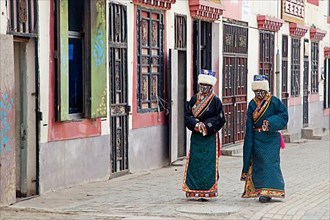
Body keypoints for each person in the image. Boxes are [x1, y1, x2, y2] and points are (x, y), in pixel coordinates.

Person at [240, 75, 289, 203]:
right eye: (257, 92)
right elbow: (249, 126)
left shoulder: (274, 102)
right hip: (257, 139)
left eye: (262, 92)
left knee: (270, 164)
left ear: (266, 91)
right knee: (259, 165)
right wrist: (248, 143)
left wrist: (271, 122)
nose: (259, 94)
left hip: (271, 139)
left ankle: (271, 190)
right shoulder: (252, 104)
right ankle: (261, 190)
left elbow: (283, 116)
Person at [182, 69, 226, 199]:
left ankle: (208, 190)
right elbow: (187, 115)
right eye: (202, 86)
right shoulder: (193, 99)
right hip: (196, 136)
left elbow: (220, 119)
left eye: (206, 86)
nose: (204, 88)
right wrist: (195, 124)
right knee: (195, 163)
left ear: (211, 87)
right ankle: (193, 189)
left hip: (210, 137)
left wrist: (206, 126)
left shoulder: (216, 101)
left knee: (208, 163)